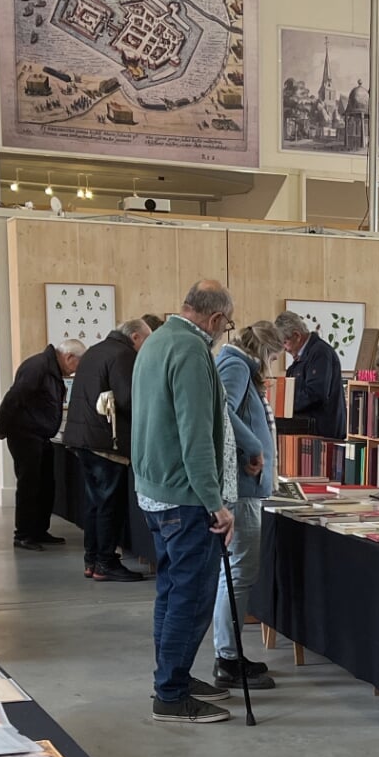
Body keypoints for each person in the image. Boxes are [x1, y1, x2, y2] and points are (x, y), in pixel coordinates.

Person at [133, 280, 239, 724]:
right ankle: (171, 693)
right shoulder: (193, 352)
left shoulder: (156, 339)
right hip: (186, 497)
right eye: (227, 325)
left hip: (155, 491)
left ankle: (171, 676)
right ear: (214, 320)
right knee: (190, 599)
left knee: (171, 591)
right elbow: (196, 436)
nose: (225, 332)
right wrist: (216, 503)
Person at [212, 320, 284, 691]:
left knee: (238, 573)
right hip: (241, 487)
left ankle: (230, 652)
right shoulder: (237, 364)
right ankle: (227, 656)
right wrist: (253, 446)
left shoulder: (237, 362)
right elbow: (223, 412)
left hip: (247, 486)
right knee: (239, 572)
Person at [64, 316, 153, 582]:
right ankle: (105, 562)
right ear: (135, 337)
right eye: (146, 341)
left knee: (94, 504)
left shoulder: (95, 350)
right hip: (106, 442)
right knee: (109, 505)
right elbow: (128, 399)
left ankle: (92, 559)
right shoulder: (123, 355)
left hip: (84, 438)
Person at [0, 339, 84, 551]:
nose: (75, 372)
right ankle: (24, 534)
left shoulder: (49, 367)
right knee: (29, 485)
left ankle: (39, 530)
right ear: (69, 357)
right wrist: (2, 425)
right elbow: (14, 397)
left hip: (40, 434)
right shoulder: (38, 367)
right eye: (77, 365)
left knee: (45, 484)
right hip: (25, 434)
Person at [275, 311, 346, 440]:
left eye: (285, 342)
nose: (284, 349)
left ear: (297, 335)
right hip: (310, 432)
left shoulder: (320, 353)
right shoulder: (303, 357)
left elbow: (316, 393)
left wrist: (286, 403)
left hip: (323, 434)